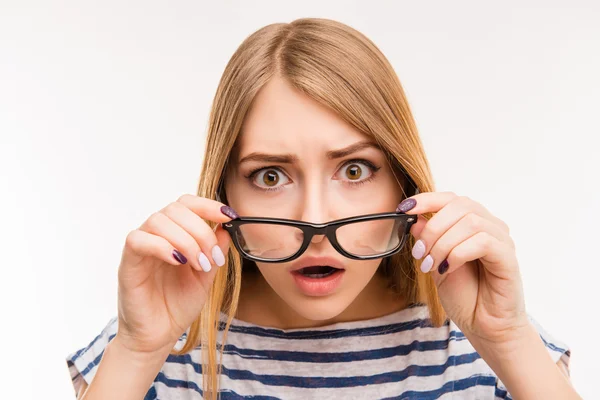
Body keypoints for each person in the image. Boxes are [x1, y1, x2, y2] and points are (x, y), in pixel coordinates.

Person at [65, 18, 579, 399]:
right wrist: (135, 353)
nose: (316, 221)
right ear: (224, 196)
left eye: (354, 170)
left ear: (403, 181)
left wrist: (509, 341)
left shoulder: (484, 343)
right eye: (270, 176)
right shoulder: (157, 347)